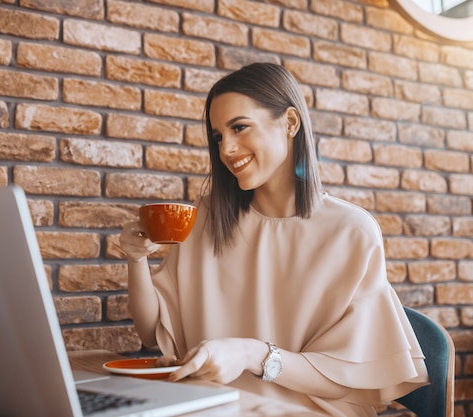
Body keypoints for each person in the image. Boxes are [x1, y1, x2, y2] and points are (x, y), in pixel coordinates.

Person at [119, 62, 428, 417]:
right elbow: (150, 332)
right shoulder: (206, 218)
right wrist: (136, 259)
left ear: (290, 123)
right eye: (219, 136)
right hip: (208, 409)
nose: (226, 149)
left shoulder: (351, 231)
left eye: (239, 127)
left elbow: (345, 378)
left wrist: (253, 354)